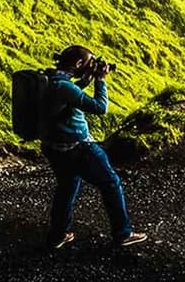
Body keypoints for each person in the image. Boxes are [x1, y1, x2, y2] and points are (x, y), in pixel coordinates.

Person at [42, 45, 147, 249]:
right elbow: (100, 107)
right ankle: (123, 233)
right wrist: (100, 80)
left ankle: (58, 234)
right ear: (79, 64)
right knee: (111, 183)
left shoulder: (51, 80)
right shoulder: (63, 87)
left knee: (67, 187)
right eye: (89, 63)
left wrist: (85, 80)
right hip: (78, 147)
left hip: (54, 148)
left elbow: (68, 95)